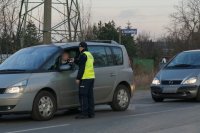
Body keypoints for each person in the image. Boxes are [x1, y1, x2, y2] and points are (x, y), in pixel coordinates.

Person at [75, 42, 95, 119]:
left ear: (82, 47)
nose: (79, 48)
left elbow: (82, 68)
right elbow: (85, 64)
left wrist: (78, 78)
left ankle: (84, 113)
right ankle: (91, 113)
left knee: (83, 95)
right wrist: (75, 60)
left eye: (79, 47)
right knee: (90, 96)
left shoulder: (83, 55)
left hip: (85, 78)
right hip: (91, 77)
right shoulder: (89, 55)